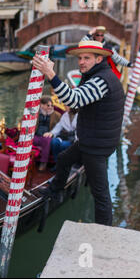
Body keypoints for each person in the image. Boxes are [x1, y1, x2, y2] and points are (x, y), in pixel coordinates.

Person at [32, 40, 125, 226]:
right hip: (90, 140)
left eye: (87, 58)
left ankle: (103, 233)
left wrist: (51, 73)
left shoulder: (101, 81)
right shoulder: (94, 75)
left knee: (100, 194)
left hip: (96, 145)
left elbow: (74, 101)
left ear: (99, 59)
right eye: (80, 58)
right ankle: (55, 191)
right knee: (65, 158)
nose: (81, 62)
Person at [34, 96, 61, 171]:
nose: (50, 107)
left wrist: (51, 133)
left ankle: (43, 163)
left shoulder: (57, 115)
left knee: (47, 140)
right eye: (48, 105)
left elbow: (60, 127)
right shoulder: (35, 112)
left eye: (52, 105)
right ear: (41, 105)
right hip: (36, 135)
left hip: (47, 136)